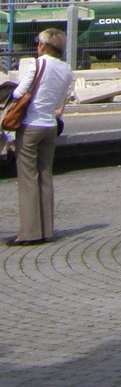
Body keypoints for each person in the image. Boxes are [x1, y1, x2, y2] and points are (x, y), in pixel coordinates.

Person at [6, 27, 74, 245]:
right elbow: (58, 103)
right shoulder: (66, 69)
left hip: (30, 125)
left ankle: (29, 233)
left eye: (38, 42)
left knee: (28, 180)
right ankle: (46, 230)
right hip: (50, 126)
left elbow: (19, 93)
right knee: (45, 177)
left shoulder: (38, 64)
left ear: (44, 45)